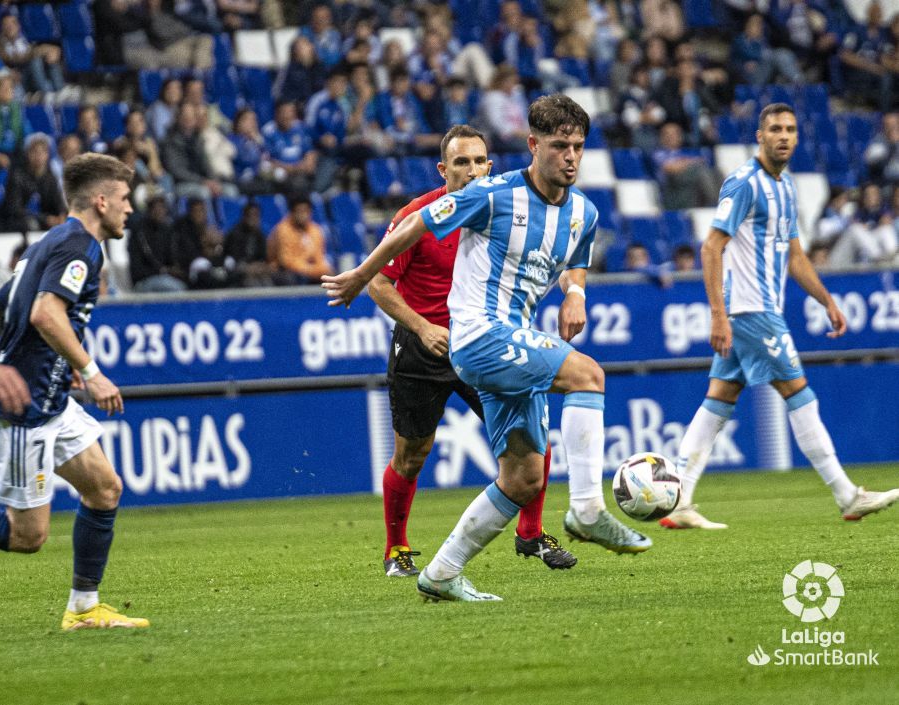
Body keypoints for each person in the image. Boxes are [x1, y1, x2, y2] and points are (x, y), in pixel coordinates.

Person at [324, 95, 652, 602]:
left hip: (508, 340)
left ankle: (441, 574)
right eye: (559, 146)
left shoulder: (583, 213)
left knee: (523, 476)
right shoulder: (494, 194)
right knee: (588, 375)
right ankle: (586, 509)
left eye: (578, 147)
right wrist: (362, 275)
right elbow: (417, 223)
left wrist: (575, 294)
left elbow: (577, 260)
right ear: (533, 145)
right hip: (477, 335)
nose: (570, 156)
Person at [661, 103, 899, 531]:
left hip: (757, 309)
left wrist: (826, 300)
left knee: (719, 399)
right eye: (775, 129)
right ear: (760, 136)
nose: (784, 135)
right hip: (750, 310)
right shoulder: (743, 184)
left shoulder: (786, 187)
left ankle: (679, 498)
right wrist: (718, 314)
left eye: (790, 128)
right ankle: (847, 494)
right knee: (799, 392)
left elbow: (794, 255)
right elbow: (711, 246)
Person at [368, 125, 576, 577]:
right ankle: (396, 548)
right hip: (424, 347)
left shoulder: (506, 208)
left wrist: (572, 290)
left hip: (485, 342)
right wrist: (422, 328)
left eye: (479, 161)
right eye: (461, 163)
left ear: (490, 165)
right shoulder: (418, 215)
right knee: (412, 455)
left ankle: (531, 533)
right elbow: (379, 284)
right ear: (443, 169)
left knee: (532, 439)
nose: (472, 171)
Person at [0, 153, 149, 629]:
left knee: (104, 489)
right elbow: (45, 314)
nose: (130, 209)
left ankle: (84, 609)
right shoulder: (79, 246)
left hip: (51, 401)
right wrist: (92, 370)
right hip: (28, 408)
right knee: (28, 537)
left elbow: (7, 304)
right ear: (101, 201)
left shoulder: (54, 241)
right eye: (125, 199)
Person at [267, 194, 333, 284]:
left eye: (306, 211)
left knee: (331, 276)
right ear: (292, 213)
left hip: (309, 270)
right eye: (299, 211)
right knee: (293, 278)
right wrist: (311, 270)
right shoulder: (283, 230)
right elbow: (286, 261)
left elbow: (319, 257)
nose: (303, 215)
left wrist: (321, 270)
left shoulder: (315, 230)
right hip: (284, 270)